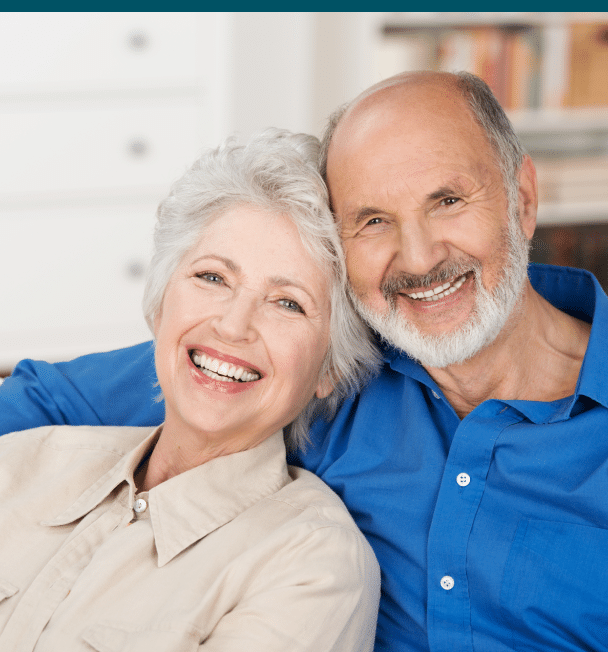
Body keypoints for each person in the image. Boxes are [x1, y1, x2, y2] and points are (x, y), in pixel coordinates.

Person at [2, 70, 607, 651]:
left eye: (447, 200)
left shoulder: (312, 515)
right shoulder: (321, 364)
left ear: (522, 199)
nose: (419, 259)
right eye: (373, 221)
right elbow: (54, 398)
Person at [0, 129, 382, 651]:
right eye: (212, 277)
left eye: (287, 303)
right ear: (161, 304)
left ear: (327, 370)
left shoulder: (310, 564)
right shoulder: (19, 464)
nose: (233, 325)